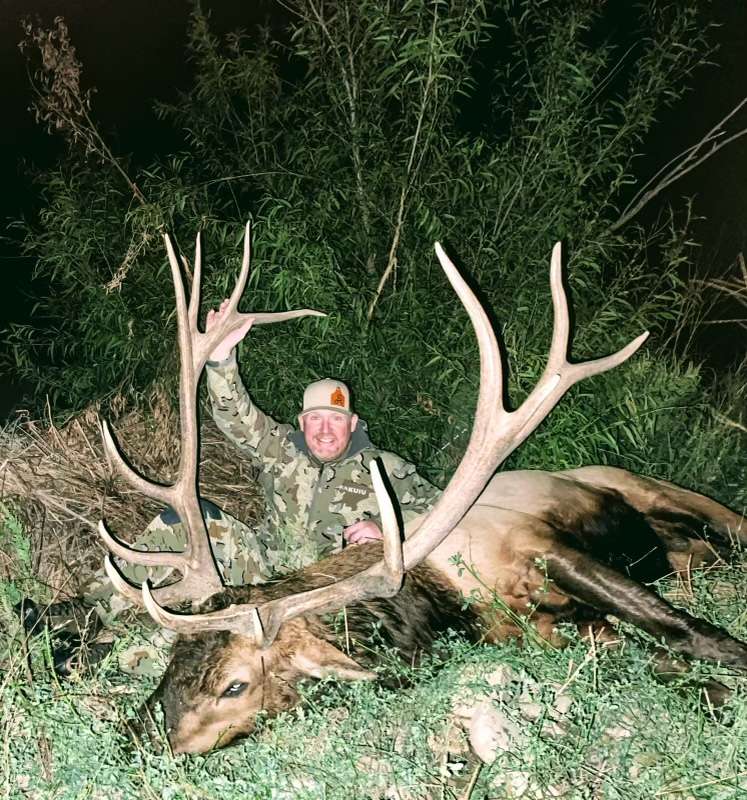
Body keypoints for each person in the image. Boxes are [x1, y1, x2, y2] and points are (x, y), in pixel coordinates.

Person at [19, 301, 441, 676]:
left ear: (352, 424)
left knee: (226, 631)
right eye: (316, 419)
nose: (325, 430)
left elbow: (446, 515)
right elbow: (237, 417)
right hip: (262, 564)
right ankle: (84, 613)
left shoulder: (389, 469)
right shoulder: (283, 450)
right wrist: (221, 359)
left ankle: (103, 660)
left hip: (321, 599)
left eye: (335, 420)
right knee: (186, 519)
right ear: (302, 422)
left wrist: (390, 533)